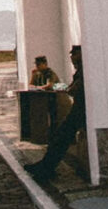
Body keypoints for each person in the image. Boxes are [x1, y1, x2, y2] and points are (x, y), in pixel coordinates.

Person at [24, 45, 87, 182]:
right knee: (58, 138)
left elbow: (74, 89)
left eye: (74, 57)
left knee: (61, 138)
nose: (72, 60)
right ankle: (45, 165)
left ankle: (47, 168)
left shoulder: (84, 69)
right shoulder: (81, 69)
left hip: (81, 110)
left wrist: (69, 89)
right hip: (78, 109)